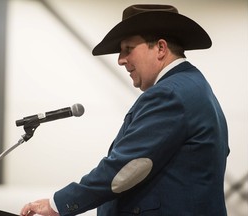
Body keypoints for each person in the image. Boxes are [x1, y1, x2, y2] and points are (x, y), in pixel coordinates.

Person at [20, 4, 229, 216]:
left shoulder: (169, 95)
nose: (120, 60)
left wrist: (57, 204)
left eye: (128, 49)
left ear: (161, 48)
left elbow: (125, 168)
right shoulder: (194, 87)